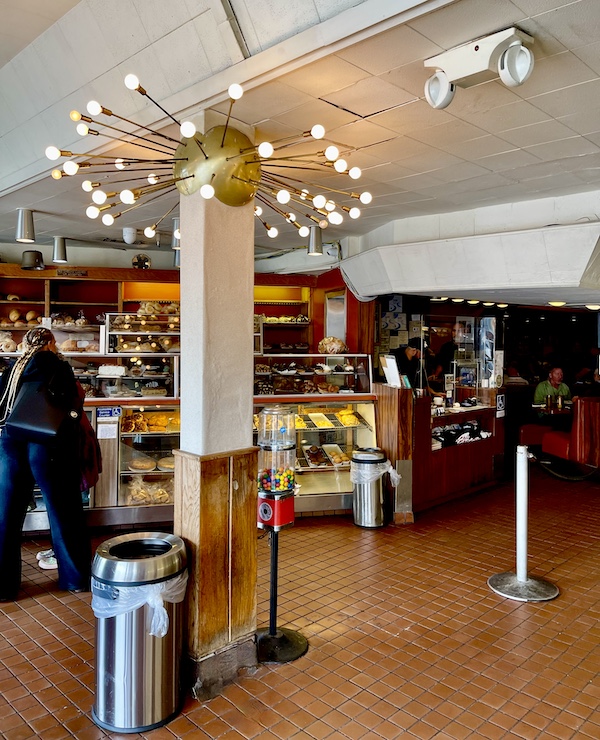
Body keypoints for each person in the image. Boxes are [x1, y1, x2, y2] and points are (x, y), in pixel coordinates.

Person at [0, 327, 91, 600]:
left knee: (6, 514)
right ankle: (74, 579)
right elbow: (69, 407)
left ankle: (3, 587)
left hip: (10, 441)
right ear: (50, 343)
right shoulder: (58, 366)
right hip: (47, 445)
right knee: (63, 509)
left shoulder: (12, 369)